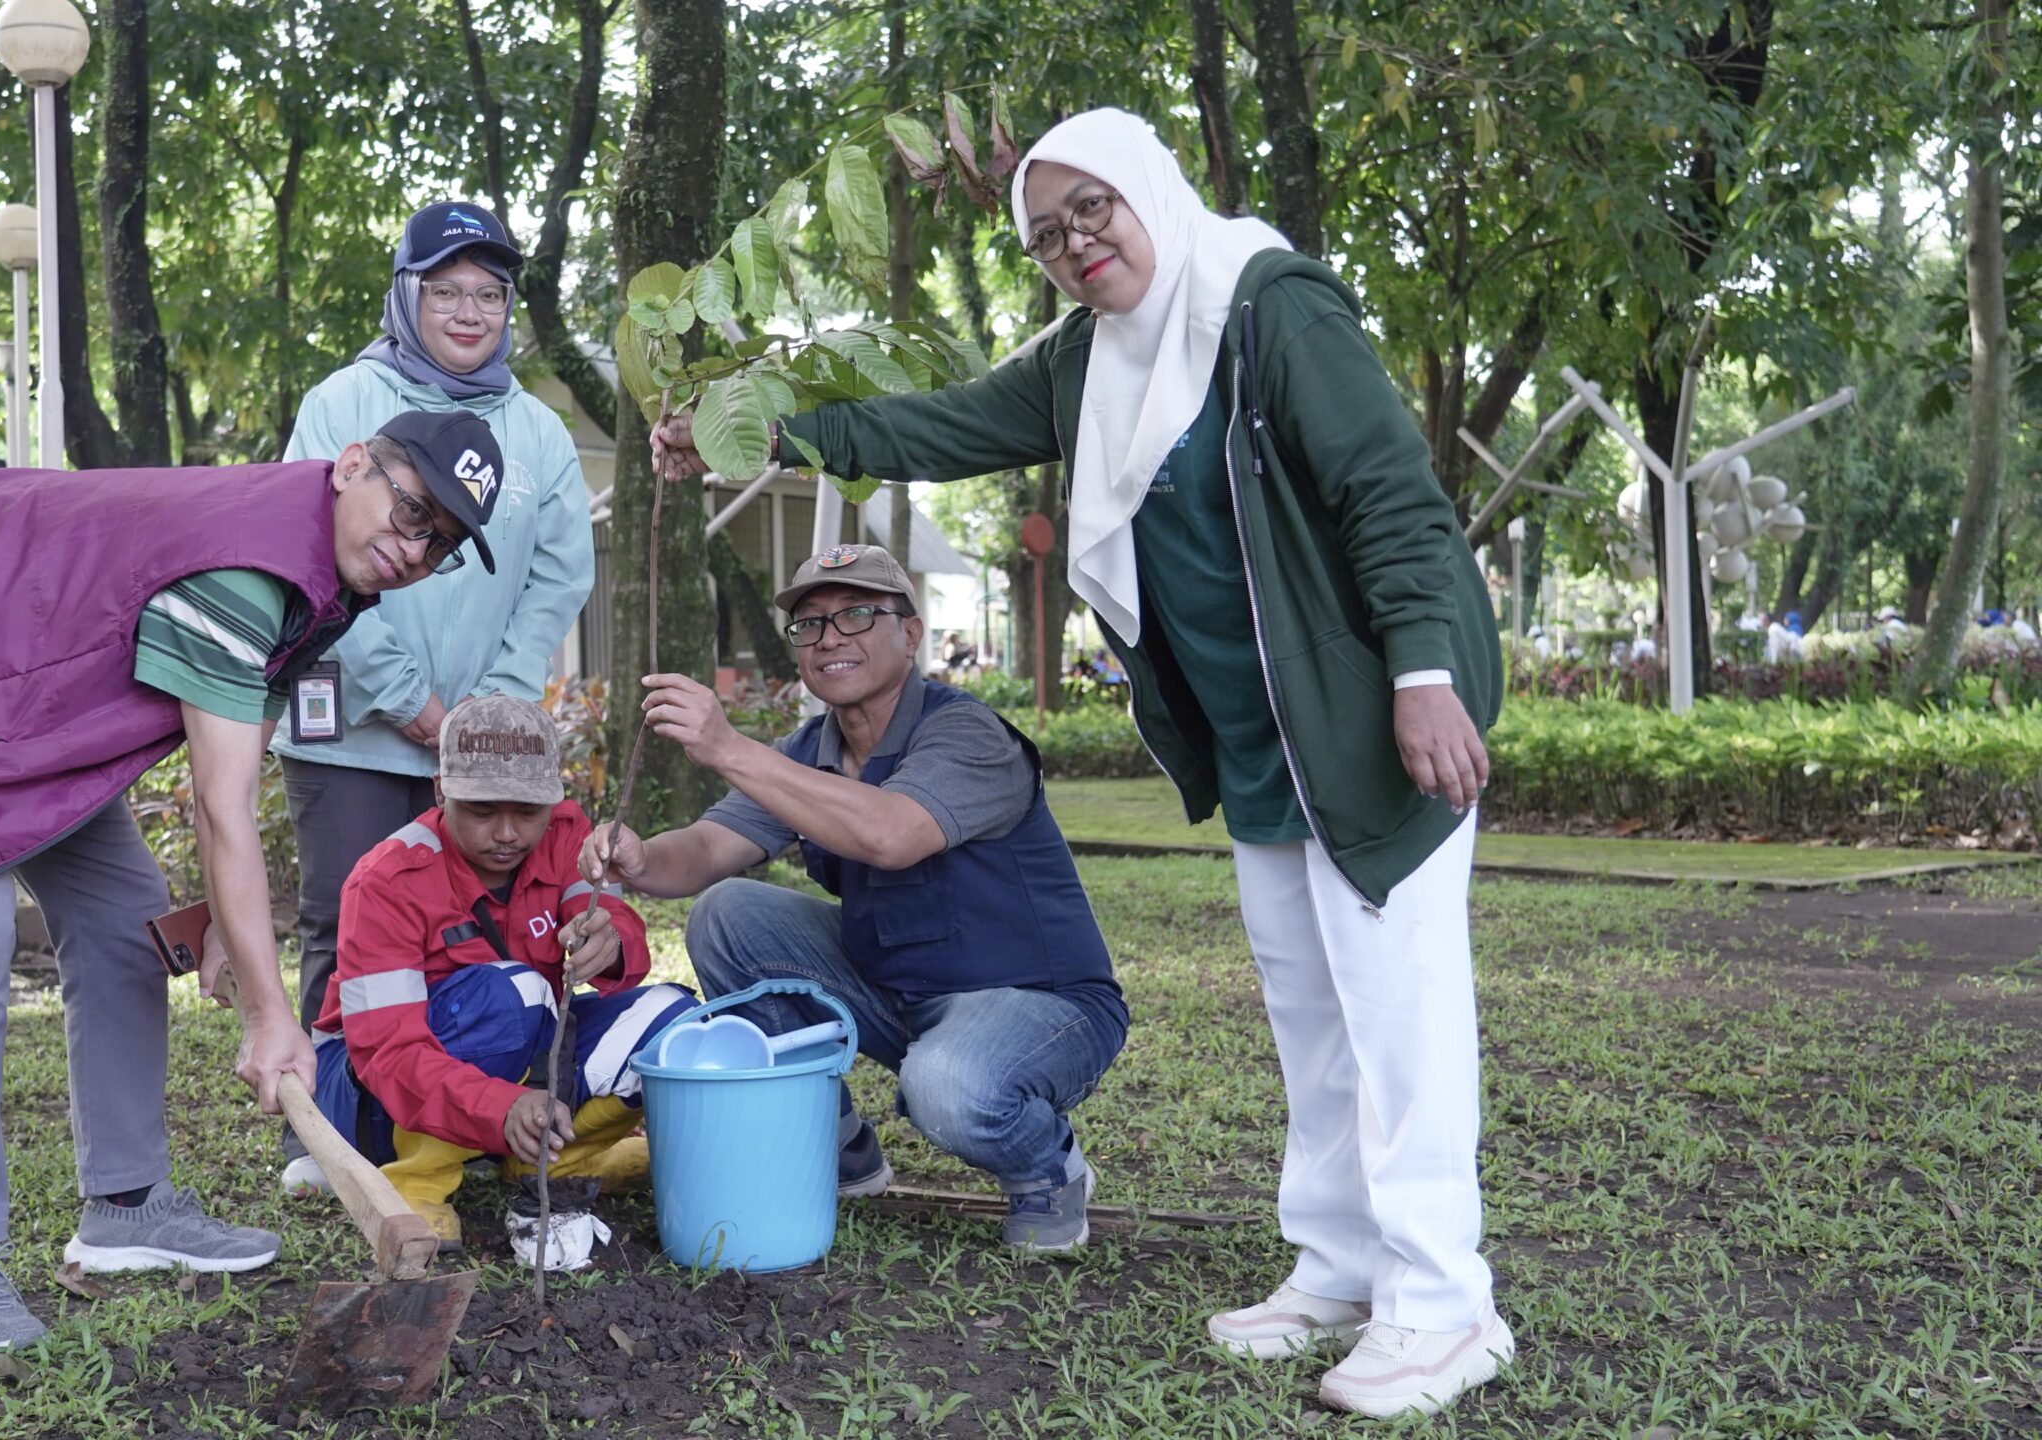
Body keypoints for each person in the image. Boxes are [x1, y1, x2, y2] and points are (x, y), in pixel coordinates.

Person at [652, 108, 1508, 1417]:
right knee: (1316, 1021)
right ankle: (1337, 1268)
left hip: (1364, 719)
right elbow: (933, 429)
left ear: (1151, 188)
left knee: (1400, 1023)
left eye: (1091, 209)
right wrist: (764, 431)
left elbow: (1389, 492)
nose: (1073, 245)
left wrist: (1424, 677)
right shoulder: (1091, 362)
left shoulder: (1268, 309)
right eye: (1045, 233)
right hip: (1262, 745)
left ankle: (1445, 1306)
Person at [0, 410, 505, 1355]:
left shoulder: (320, 577)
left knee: (123, 923)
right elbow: (222, 810)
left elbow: (223, 758)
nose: (412, 549)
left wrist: (235, 929)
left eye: (438, 542)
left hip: (1, 681)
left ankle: (126, 1206)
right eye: (408, 512)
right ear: (352, 466)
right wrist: (274, 1020)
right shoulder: (253, 567)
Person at [582, 544, 1128, 1255]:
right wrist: (640, 857)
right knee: (730, 914)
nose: (830, 636)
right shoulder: (808, 750)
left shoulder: (968, 733)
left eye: (858, 614)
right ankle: (839, 1147)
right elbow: (713, 848)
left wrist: (729, 746)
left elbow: (893, 834)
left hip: (1038, 1003)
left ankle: (1048, 1170)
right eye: (809, 625)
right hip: (898, 993)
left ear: (911, 633)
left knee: (949, 1085)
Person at [272, 200, 595, 1193]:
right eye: (446, 290)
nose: (469, 310)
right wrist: (416, 705)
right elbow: (307, 556)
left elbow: (556, 578)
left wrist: (489, 716)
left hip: (481, 747)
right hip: (354, 727)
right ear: (406, 296)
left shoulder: (538, 431)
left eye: (489, 293)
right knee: (346, 922)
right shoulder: (342, 404)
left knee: (478, 927)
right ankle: (327, 1140)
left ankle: (456, 1121)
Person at [290, 695, 696, 1248]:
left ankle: (549, 1161)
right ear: (440, 792)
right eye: (482, 811)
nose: (508, 833)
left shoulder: (565, 833)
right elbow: (387, 1054)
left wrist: (610, 940)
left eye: (528, 812)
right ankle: (415, 1183)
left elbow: (607, 922)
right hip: (370, 1098)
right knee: (517, 997)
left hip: (519, 1069)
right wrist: (500, 1107)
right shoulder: (385, 880)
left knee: (673, 1023)